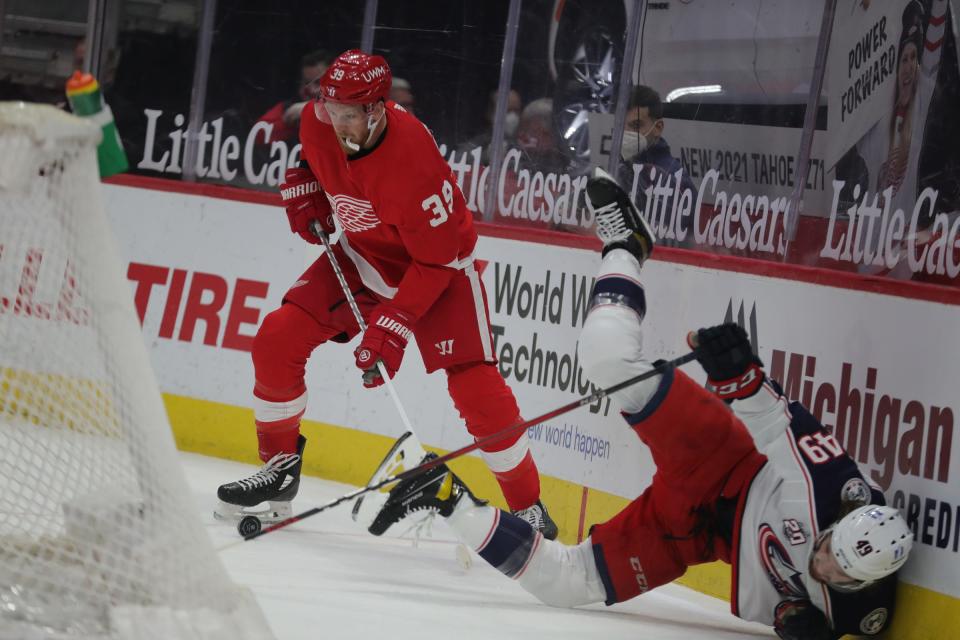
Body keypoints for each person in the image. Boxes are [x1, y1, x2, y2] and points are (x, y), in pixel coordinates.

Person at [368, 168, 914, 639]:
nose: (822, 565)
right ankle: (625, 246)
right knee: (606, 361)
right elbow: (774, 421)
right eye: (828, 549)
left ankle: (444, 495)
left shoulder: (862, 609)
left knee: (566, 584)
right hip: (721, 457)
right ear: (840, 523)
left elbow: (816, 612)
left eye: (838, 574)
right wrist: (739, 373)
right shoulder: (831, 486)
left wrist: (798, 619)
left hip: (692, 533)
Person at [215, 49, 557, 539]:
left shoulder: (413, 157)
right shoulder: (318, 121)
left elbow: (436, 260)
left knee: (476, 390)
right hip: (363, 258)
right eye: (329, 109)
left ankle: (530, 510)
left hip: (439, 273)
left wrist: (394, 325)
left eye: (348, 114)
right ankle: (279, 468)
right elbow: (317, 163)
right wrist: (305, 184)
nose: (335, 123)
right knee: (277, 337)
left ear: (377, 109)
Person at [618, 85, 696, 246]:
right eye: (621, 126)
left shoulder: (673, 180)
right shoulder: (621, 168)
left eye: (636, 125)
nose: (626, 133)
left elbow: (661, 244)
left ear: (658, 128)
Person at [256, 49, 333, 145]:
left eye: (319, 83)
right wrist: (287, 123)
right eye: (306, 83)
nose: (312, 90)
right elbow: (259, 134)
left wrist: (311, 109)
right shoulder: (289, 108)